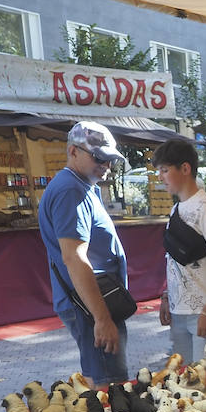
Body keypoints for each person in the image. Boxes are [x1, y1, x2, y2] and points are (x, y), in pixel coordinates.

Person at [37, 121, 130, 387]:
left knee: (104, 380)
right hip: (90, 305)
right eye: (98, 157)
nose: (105, 165)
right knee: (110, 388)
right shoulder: (70, 190)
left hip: (95, 302)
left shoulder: (82, 185)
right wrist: (101, 317)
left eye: (109, 159)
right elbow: (74, 258)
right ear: (73, 151)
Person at [155, 138, 206, 361]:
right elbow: (174, 260)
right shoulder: (176, 209)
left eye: (164, 170)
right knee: (184, 382)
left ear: (185, 168)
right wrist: (166, 297)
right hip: (179, 311)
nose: (160, 177)